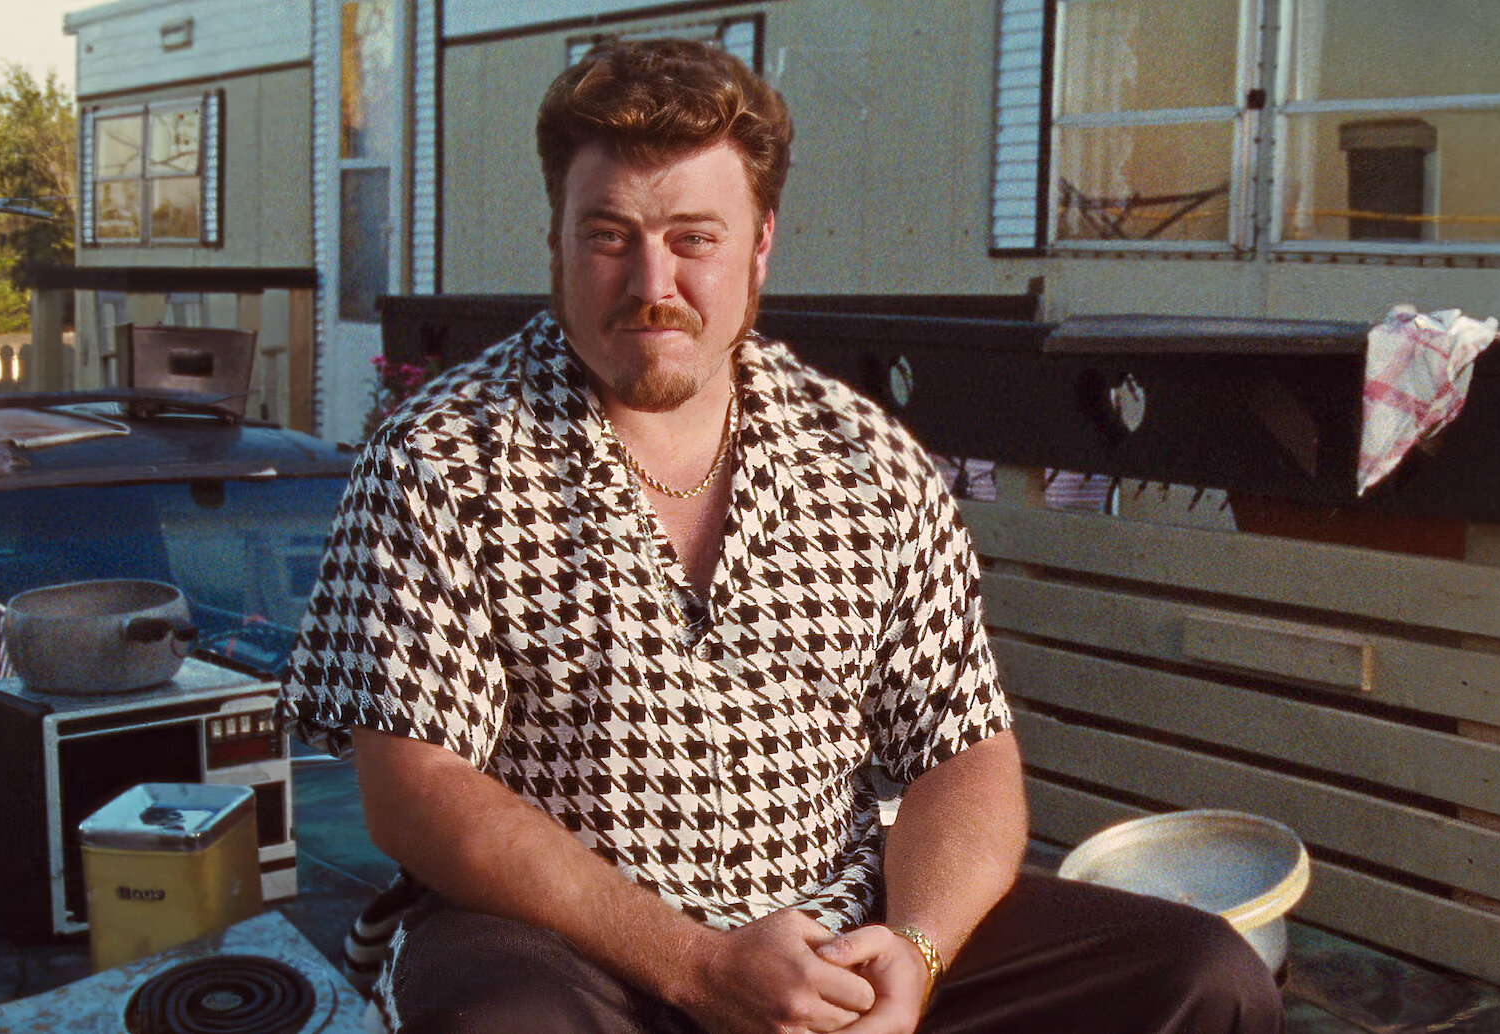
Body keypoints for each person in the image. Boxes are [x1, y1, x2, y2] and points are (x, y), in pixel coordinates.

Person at [285, 37, 1283, 1034]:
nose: (651, 282)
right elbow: (416, 789)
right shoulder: (442, 456)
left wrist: (916, 952)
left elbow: (963, 755)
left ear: (760, 242)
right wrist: (697, 965)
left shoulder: (864, 458)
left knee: (1204, 978)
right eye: (608, 236)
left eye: (693, 237)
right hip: (569, 949)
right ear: (556, 239)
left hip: (837, 931)